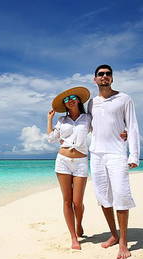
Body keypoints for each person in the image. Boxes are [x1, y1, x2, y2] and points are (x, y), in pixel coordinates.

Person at [47, 87, 127, 250]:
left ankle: (79, 224)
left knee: (78, 202)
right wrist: (50, 119)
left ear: (78, 100)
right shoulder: (62, 121)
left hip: (81, 162)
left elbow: (105, 127)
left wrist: (123, 131)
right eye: (67, 99)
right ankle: (74, 237)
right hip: (62, 161)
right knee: (67, 201)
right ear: (65, 104)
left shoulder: (88, 118)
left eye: (73, 97)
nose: (70, 100)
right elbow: (51, 139)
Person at [87, 64, 140, 259]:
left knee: (121, 195)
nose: (104, 77)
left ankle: (124, 243)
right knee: (103, 197)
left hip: (117, 154)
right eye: (100, 74)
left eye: (108, 74)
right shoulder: (92, 103)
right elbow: (90, 125)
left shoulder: (124, 98)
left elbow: (132, 126)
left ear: (112, 78)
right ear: (95, 79)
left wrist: (133, 155)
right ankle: (114, 235)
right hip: (96, 155)